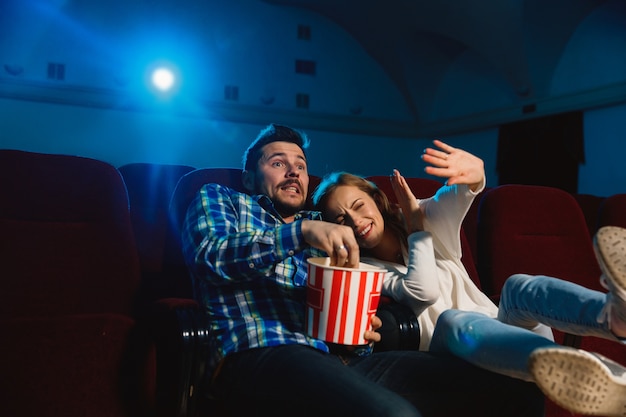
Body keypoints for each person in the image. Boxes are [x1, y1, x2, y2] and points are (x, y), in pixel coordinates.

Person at [181, 124, 545, 417]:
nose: (293, 170)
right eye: (278, 162)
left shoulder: (325, 222)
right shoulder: (223, 198)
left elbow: (359, 286)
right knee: (395, 413)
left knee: (514, 392)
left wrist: (362, 328)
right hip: (260, 351)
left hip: (340, 359)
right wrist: (299, 232)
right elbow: (210, 257)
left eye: (301, 165)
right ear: (249, 178)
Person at [311, 139, 626, 417]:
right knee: (451, 319)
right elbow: (423, 291)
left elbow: (461, 193)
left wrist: (476, 171)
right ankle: (581, 372)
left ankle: (613, 315)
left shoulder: (424, 214)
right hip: (453, 356)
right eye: (341, 219)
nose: (355, 221)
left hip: (507, 340)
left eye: (358, 206)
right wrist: (418, 232)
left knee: (517, 285)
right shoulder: (362, 269)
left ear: (376, 200)